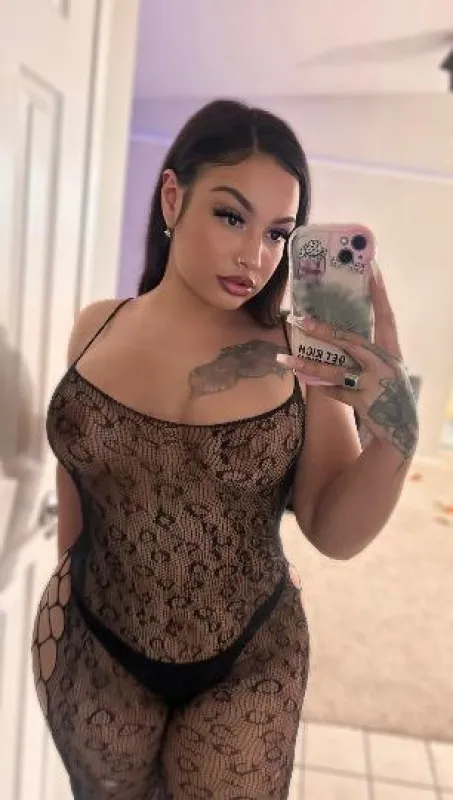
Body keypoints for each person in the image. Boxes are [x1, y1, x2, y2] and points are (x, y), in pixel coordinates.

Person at [31, 99, 418, 799]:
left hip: (246, 659)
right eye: (231, 217)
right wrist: (71, 600)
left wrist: (395, 433)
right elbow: (78, 484)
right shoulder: (95, 326)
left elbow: (334, 533)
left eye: (277, 233)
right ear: (172, 198)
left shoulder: (300, 358)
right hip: (93, 644)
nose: (255, 256)